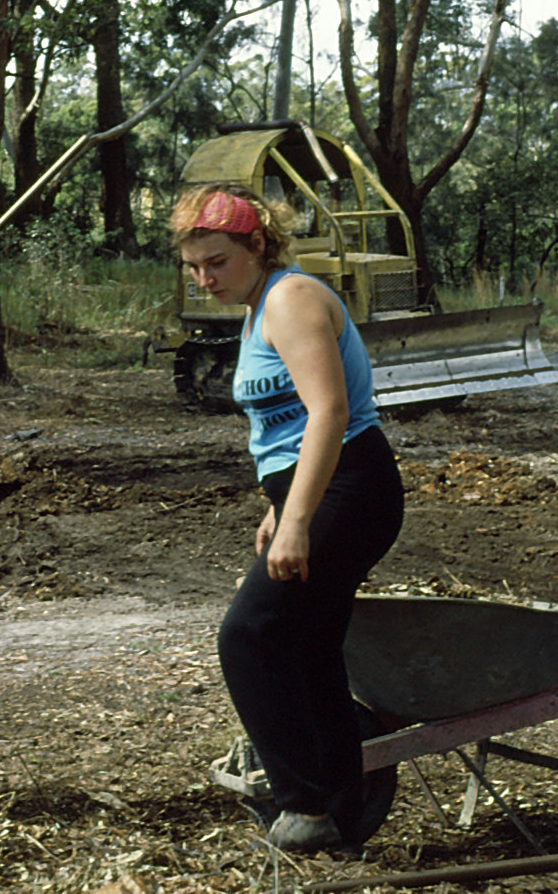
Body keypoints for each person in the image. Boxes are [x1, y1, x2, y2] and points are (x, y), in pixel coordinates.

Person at [171, 185, 404, 853]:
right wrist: (280, 508)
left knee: (249, 637)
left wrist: (299, 517)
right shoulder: (255, 311)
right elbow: (287, 426)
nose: (203, 277)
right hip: (322, 489)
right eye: (193, 266)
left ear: (256, 245)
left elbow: (329, 413)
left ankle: (303, 805)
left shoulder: (291, 299)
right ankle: (341, 816)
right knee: (308, 648)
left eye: (216, 261)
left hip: (351, 487)